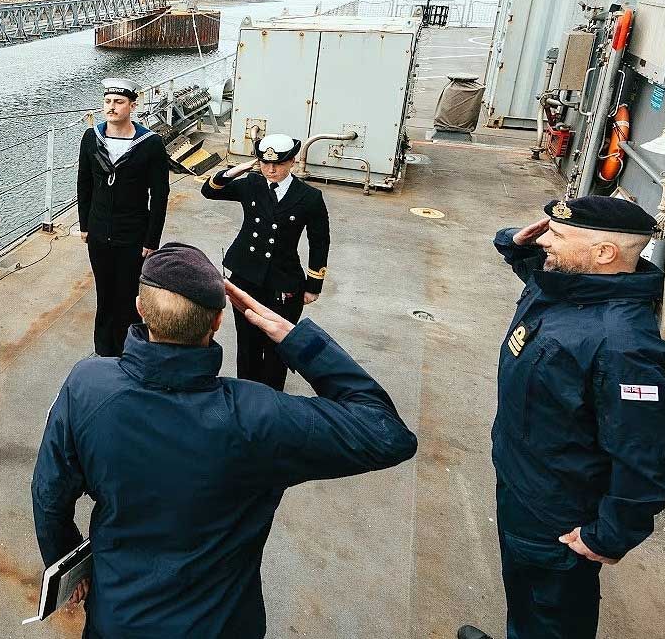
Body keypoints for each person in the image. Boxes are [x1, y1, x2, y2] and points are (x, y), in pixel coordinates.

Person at [31, 242, 417, 639]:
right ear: (218, 321)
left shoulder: (88, 386)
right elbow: (387, 433)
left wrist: (64, 558)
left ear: (141, 309)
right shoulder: (260, 416)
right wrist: (293, 337)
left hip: (119, 620)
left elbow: (48, 494)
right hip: (220, 626)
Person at [459, 196, 665, 639]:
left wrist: (610, 535)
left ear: (603, 253)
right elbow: (532, 269)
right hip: (523, 480)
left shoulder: (623, 346)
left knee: (552, 615)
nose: (546, 243)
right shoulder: (571, 285)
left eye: (557, 237)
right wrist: (518, 244)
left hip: (557, 510)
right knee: (524, 591)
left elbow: (648, 456)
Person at [200, 133, 330, 390]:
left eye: (278, 163)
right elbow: (209, 191)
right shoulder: (251, 184)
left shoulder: (309, 197)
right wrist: (242, 167)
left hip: (283, 280)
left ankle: (272, 400)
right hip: (246, 277)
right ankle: (246, 398)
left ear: (292, 161)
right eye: (264, 162)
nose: (271, 169)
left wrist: (314, 284)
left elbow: (319, 241)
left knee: (278, 345)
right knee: (247, 343)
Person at [77, 78, 171, 357]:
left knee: (129, 298)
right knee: (104, 295)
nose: (111, 107)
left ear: (132, 105)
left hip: (133, 235)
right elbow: (84, 184)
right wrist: (85, 226)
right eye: (108, 101)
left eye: (118, 102)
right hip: (99, 232)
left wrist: (151, 239)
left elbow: (160, 194)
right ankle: (104, 352)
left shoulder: (150, 143)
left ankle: (129, 352)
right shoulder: (92, 137)